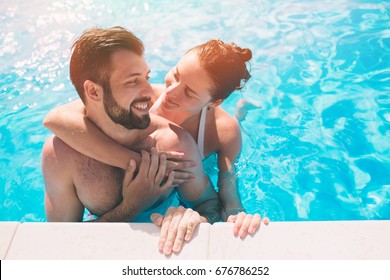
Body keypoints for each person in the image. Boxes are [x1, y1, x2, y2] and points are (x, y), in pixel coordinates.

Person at [44, 36, 269, 238]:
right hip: (171, 177)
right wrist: (142, 165)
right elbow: (55, 119)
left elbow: (228, 193)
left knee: (234, 124)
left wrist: (236, 218)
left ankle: (241, 111)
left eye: (189, 92)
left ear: (214, 102)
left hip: (196, 171)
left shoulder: (223, 131)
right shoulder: (140, 97)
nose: (170, 92)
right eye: (176, 75)